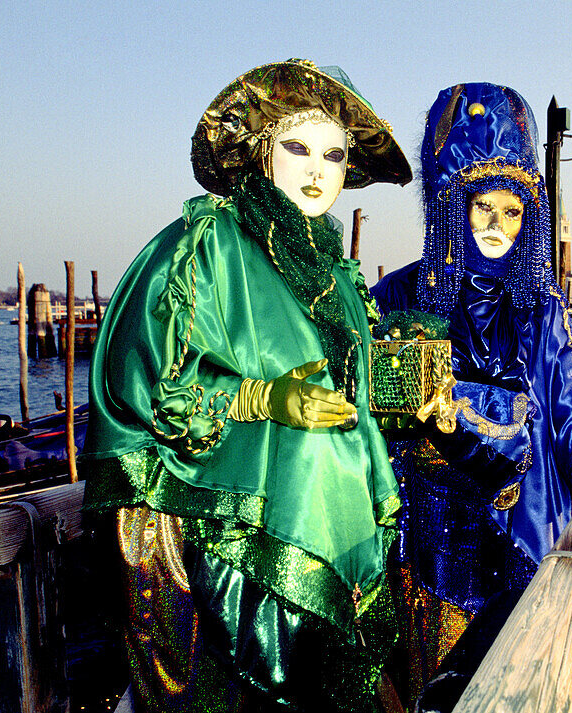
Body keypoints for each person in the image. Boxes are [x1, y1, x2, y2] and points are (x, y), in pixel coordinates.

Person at [81, 59, 411, 713]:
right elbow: (145, 385)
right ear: (262, 149)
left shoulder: (338, 278)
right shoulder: (203, 245)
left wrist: (418, 395)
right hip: (227, 546)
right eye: (298, 147)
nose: (318, 171)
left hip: (333, 537)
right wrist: (261, 398)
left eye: (335, 155)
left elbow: (357, 401)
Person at [371, 82, 572, 702]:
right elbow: (371, 405)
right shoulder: (400, 299)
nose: (496, 226)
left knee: (518, 677)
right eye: (481, 208)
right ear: (451, 209)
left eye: (511, 211)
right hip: (426, 533)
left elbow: (571, 390)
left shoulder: (538, 305)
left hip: (522, 524)